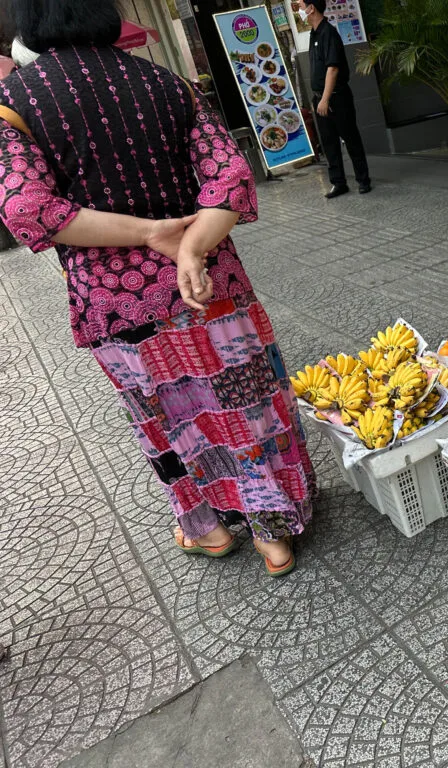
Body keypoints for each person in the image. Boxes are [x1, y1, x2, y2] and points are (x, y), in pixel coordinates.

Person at [0, 0, 316, 576]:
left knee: (167, 416)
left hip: (117, 304)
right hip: (211, 285)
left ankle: (209, 530)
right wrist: (191, 245)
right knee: (242, 404)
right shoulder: (165, 83)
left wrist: (148, 235)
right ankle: (274, 536)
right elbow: (231, 175)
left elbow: (26, 209)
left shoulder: (17, 103)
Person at [298, 0, 371, 197]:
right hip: (320, 98)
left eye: (301, 6)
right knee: (329, 142)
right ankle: (338, 182)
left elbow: (333, 68)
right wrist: (317, 100)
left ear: (311, 8)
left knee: (350, 137)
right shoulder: (314, 33)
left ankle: (363, 180)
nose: (300, 11)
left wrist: (325, 99)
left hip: (336, 97)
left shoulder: (328, 33)